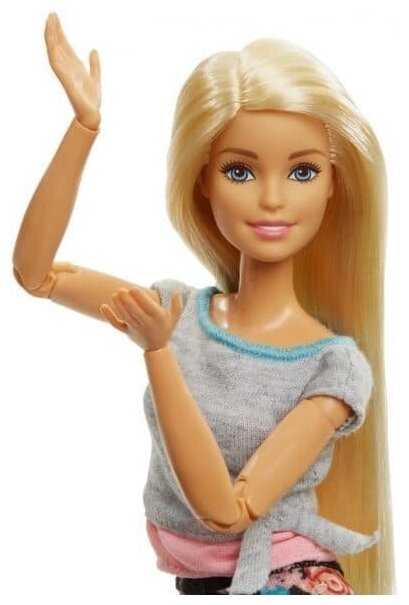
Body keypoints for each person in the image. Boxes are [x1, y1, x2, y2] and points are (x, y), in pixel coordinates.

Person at [13, 13, 394, 595]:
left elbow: (228, 511)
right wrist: (83, 127)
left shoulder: (331, 368)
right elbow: (36, 274)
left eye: (302, 171)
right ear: (204, 181)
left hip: (282, 582)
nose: (272, 198)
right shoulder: (176, 311)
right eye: (240, 171)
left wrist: (159, 354)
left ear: (332, 185)